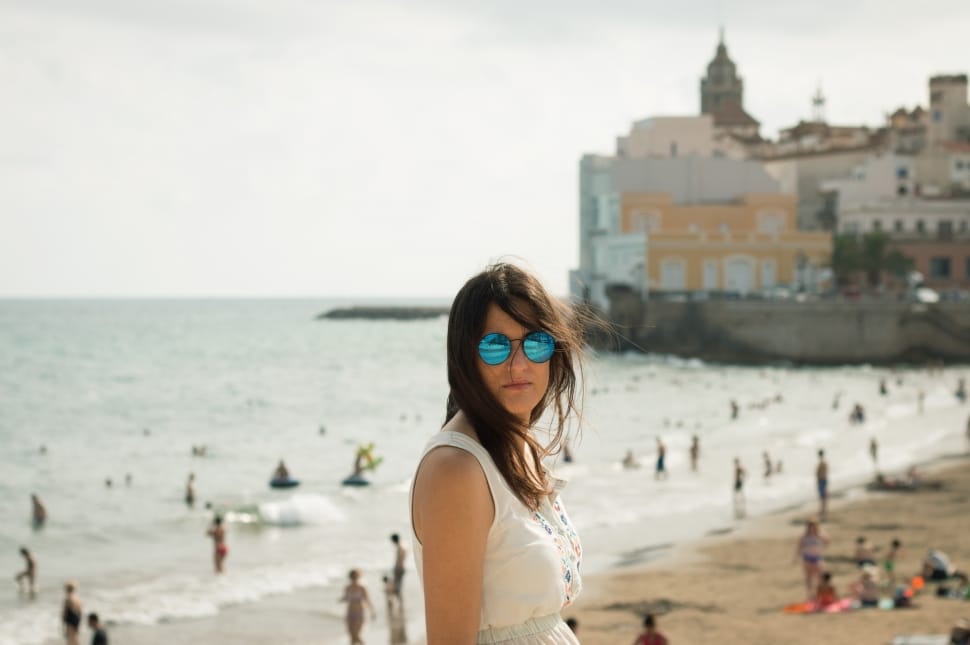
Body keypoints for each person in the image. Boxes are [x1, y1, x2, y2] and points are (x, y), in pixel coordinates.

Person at [409, 263, 586, 644]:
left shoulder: (515, 445)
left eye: (536, 343)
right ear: (465, 357)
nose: (519, 365)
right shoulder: (456, 468)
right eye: (495, 346)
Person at [795, 518, 829, 599]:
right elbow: (799, 547)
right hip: (807, 558)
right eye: (810, 525)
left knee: (820, 577)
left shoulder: (820, 535)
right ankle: (810, 595)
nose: (811, 527)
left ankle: (820, 594)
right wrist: (796, 557)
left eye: (813, 525)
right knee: (809, 578)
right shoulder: (804, 536)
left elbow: (827, 540)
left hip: (817, 557)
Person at [340, 569, 375, 645]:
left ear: (359, 577)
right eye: (352, 577)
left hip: (360, 613)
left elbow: (367, 600)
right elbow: (345, 598)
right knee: (351, 636)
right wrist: (341, 599)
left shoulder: (362, 588)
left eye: (356, 577)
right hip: (349, 613)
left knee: (356, 635)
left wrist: (372, 611)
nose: (354, 579)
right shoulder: (347, 588)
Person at [62, 580, 82, 645]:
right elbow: (80, 612)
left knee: (70, 640)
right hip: (77, 619)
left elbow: (65, 613)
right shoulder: (77, 598)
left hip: (70, 619)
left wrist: (63, 623)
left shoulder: (68, 598)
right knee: (75, 638)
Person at [390, 533, 406, 603]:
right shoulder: (402, 546)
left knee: (397, 587)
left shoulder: (400, 547)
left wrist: (397, 568)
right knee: (398, 586)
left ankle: (400, 603)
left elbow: (400, 560)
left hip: (399, 568)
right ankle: (400, 602)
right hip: (400, 568)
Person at [815, 450, 829, 521]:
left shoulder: (822, 462)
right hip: (822, 480)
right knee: (823, 497)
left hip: (822, 480)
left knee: (823, 497)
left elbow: (822, 473)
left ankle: (823, 511)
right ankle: (823, 511)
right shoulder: (823, 462)